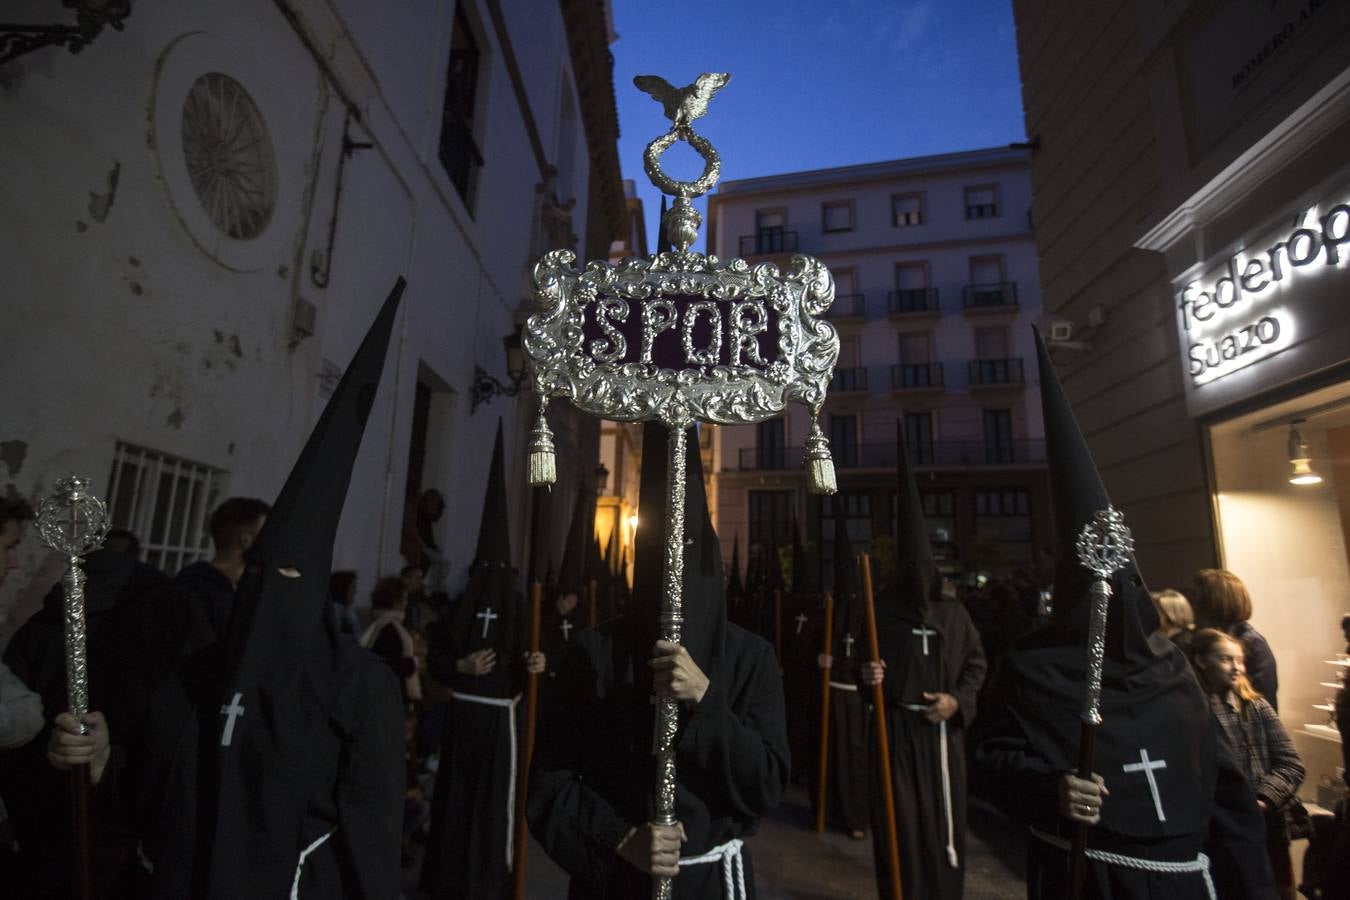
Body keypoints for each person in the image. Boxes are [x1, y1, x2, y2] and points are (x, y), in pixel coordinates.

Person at [94, 278, 409, 898]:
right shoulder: (199, 672)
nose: (269, 594)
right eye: (259, 576)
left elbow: (372, 835)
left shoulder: (360, 686)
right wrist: (102, 758)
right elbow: (146, 790)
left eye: (289, 580)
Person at [976, 329, 1275, 899]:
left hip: (1186, 882)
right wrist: (1051, 790)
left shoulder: (1172, 670)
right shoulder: (1035, 669)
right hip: (1088, 878)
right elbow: (992, 761)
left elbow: (1225, 793)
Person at [528, 423, 789, 898]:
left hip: (710, 882)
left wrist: (705, 702)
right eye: (659, 561)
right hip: (616, 881)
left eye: (690, 561)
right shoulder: (594, 654)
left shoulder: (752, 658)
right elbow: (549, 787)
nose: (675, 583)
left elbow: (766, 785)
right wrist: (621, 838)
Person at [858, 429, 987, 899]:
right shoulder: (881, 613)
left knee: (942, 822)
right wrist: (868, 674)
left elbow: (976, 665)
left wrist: (957, 701)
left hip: (940, 736)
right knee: (902, 824)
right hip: (896, 732)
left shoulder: (954, 615)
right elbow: (864, 663)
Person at [420, 423, 545, 900]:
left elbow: (530, 661)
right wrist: (462, 668)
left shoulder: (516, 613)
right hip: (464, 720)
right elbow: (437, 657)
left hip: (499, 726)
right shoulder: (461, 610)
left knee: (493, 805)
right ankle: (447, 880)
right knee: (455, 802)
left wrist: (535, 665)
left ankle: (490, 880)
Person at [1191, 628, 1305, 900]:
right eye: (1225, 659)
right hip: (1214, 830)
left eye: (1239, 660)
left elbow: (1290, 764)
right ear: (1201, 661)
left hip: (1263, 826)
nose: (1236, 667)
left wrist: (1262, 801)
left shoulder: (1255, 707)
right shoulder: (1192, 710)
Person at [816, 500, 869, 840]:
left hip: (856, 701)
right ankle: (826, 809)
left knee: (854, 762)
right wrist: (820, 661)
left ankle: (855, 816)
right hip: (829, 696)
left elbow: (871, 651)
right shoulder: (829, 611)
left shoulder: (866, 616)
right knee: (830, 759)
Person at [173, 496, 270, 639]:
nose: (272, 541)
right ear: (245, 539)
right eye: (266, 533)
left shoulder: (240, 588)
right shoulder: (198, 591)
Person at [1190, 569, 1279, 711]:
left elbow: (1262, 704)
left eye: (1197, 597)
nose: (1193, 604)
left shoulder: (1251, 643)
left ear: (1215, 601)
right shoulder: (1209, 639)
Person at [361, 576, 422, 704]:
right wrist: (411, 663)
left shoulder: (378, 624)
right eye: (404, 598)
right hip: (389, 698)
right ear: (395, 600)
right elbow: (389, 666)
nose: (406, 603)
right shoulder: (390, 629)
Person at [1152, 588, 1195, 653]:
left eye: (1157, 610)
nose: (1150, 613)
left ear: (1172, 615)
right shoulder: (1163, 636)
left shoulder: (1183, 643)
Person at [328, 570, 359, 637]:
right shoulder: (333, 612)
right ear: (342, 588)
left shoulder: (348, 610)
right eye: (352, 587)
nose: (355, 591)